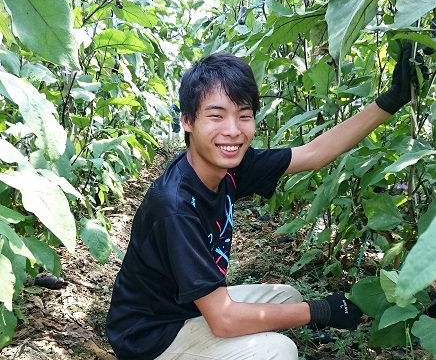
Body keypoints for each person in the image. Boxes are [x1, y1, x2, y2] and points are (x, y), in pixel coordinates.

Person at [106, 44, 415, 360]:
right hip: (150, 339)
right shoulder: (175, 207)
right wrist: (321, 310)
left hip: (185, 308)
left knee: (286, 297)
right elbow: (224, 319)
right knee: (277, 351)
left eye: (244, 116)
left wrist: (391, 101)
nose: (232, 131)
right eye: (216, 116)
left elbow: (314, 154)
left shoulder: (230, 167)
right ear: (187, 120)